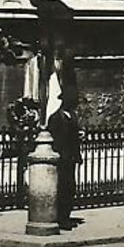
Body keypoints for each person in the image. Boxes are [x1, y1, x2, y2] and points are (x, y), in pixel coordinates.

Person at [47, 97, 83, 229]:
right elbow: (55, 138)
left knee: (70, 187)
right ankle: (60, 218)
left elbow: (75, 136)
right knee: (61, 187)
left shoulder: (73, 116)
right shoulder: (56, 118)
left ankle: (66, 215)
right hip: (61, 157)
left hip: (71, 157)